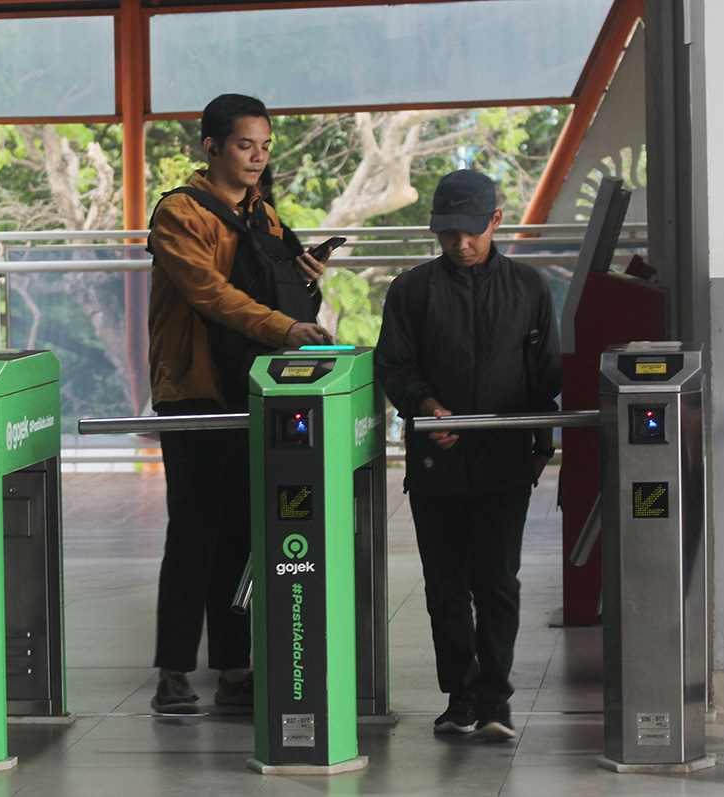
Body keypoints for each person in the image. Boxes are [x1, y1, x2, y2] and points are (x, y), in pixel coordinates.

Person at [146, 93, 333, 714]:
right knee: (194, 528)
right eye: (244, 145)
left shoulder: (265, 217)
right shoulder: (178, 214)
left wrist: (301, 278)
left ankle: (233, 668)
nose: (257, 157)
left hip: (249, 385)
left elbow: (267, 289)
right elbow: (210, 294)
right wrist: (283, 329)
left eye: (264, 145)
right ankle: (173, 669)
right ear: (212, 148)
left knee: (240, 533)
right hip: (195, 388)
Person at [374, 169, 563, 741]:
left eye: (473, 231)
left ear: (496, 222)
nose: (461, 244)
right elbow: (394, 366)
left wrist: (542, 444)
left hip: (504, 463)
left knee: (498, 581)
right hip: (436, 466)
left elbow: (543, 376)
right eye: (449, 233)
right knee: (445, 587)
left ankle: (496, 697)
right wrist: (426, 406)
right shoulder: (411, 290)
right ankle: (460, 694)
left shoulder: (528, 289)